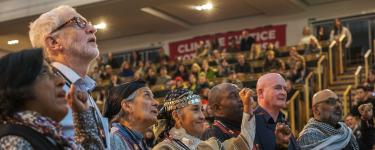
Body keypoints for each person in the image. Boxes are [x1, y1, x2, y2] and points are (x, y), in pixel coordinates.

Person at [29, 5, 110, 148]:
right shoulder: (44, 95)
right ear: (54, 43)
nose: (92, 29)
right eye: (79, 23)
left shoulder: (82, 87)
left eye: (89, 24)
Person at [0, 48, 104, 149]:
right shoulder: (14, 142)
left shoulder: (49, 135)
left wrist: (82, 115)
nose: (61, 81)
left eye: (54, 73)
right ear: (18, 88)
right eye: (44, 72)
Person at [153, 88, 255, 150]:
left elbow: (243, 144)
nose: (202, 116)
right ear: (176, 116)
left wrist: (247, 108)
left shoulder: (205, 146)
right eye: (195, 110)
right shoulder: (164, 148)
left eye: (202, 110)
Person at [103, 80, 159, 150]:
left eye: (153, 97)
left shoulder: (139, 142)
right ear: (127, 106)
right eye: (147, 95)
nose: (156, 102)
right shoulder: (114, 141)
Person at [254, 73, 299, 150]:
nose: (283, 92)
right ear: (260, 93)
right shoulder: (251, 123)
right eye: (277, 88)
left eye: (285, 89)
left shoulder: (283, 121)